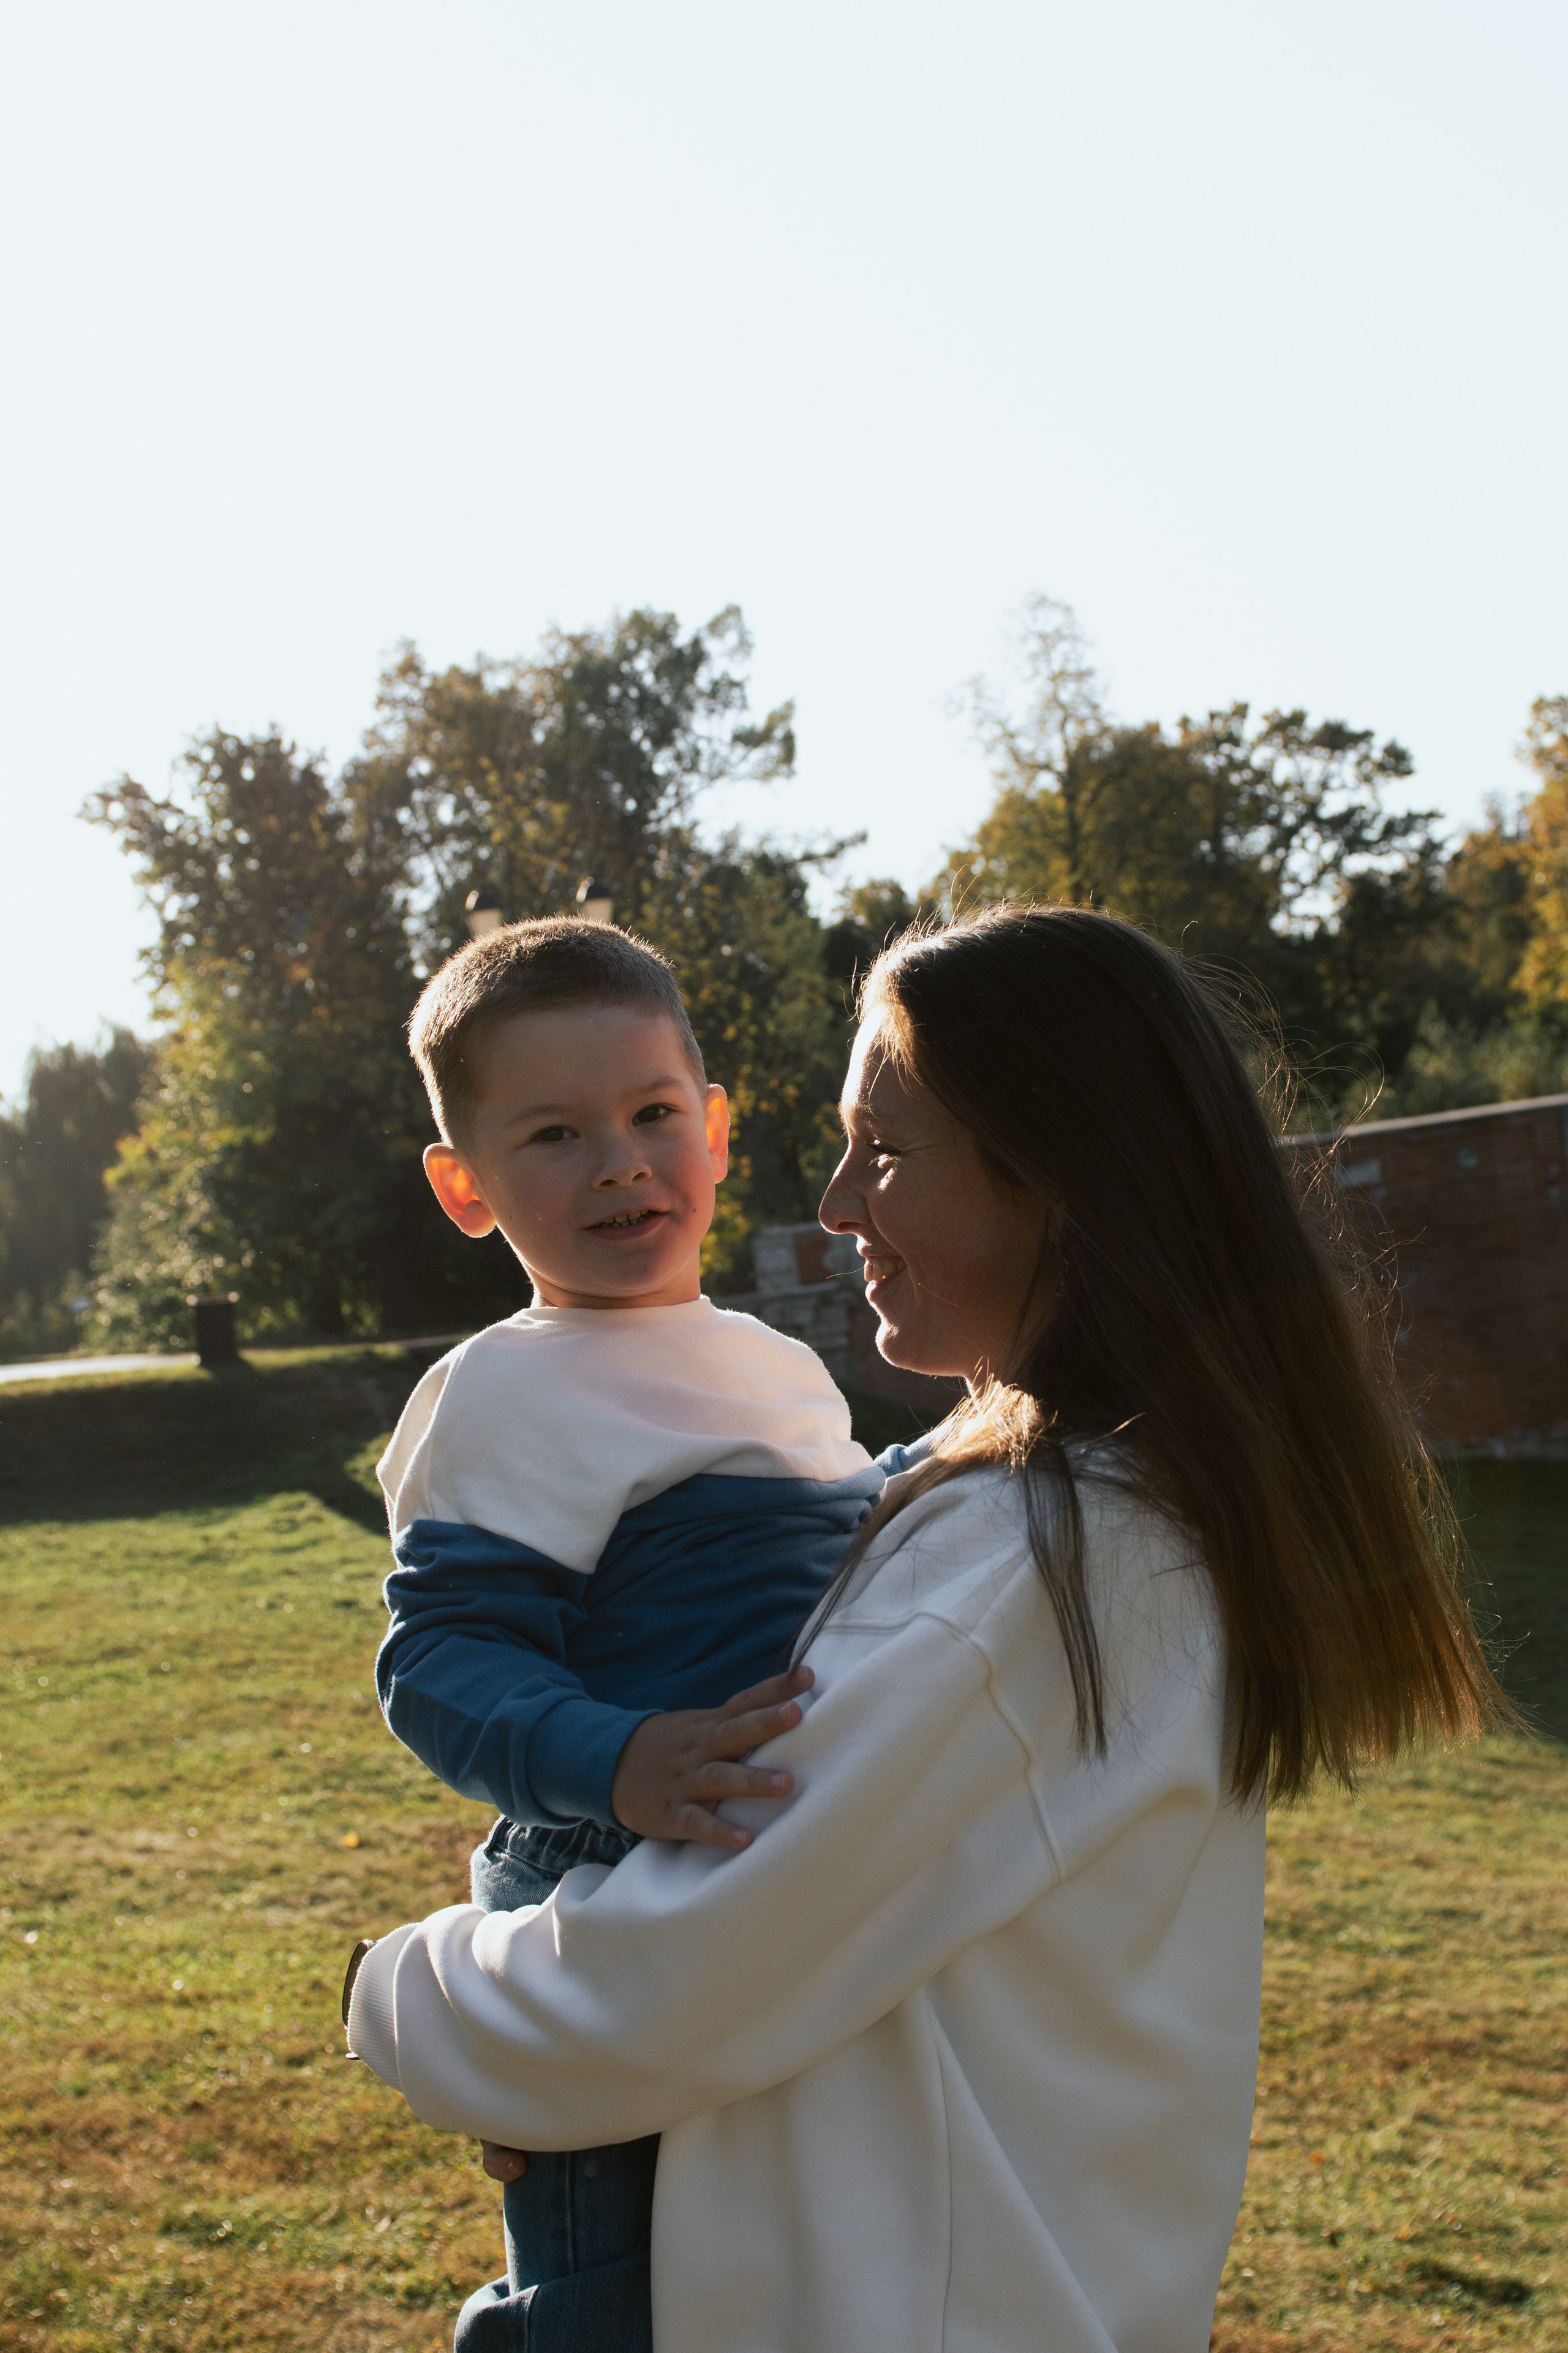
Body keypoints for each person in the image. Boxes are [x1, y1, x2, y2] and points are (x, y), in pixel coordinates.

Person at [346, 905, 1506, 2353]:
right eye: (555, 1134)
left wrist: (392, 1987)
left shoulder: (1038, 1562)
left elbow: (660, 1991)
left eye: (883, 1151)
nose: (834, 1203)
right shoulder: (1081, 1513)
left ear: (1057, 1178)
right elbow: (451, 1648)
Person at [372, 916, 881, 2350]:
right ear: (464, 1187)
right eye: (553, 1134)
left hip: (758, 1872)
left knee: (761, 2255)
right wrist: (617, 1759)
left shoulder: (776, 1363)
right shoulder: (505, 1389)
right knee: (611, 2287)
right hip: (598, 1874)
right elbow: (440, 1663)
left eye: (653, 1114)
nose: (618, 1161)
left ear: (714, 1130)